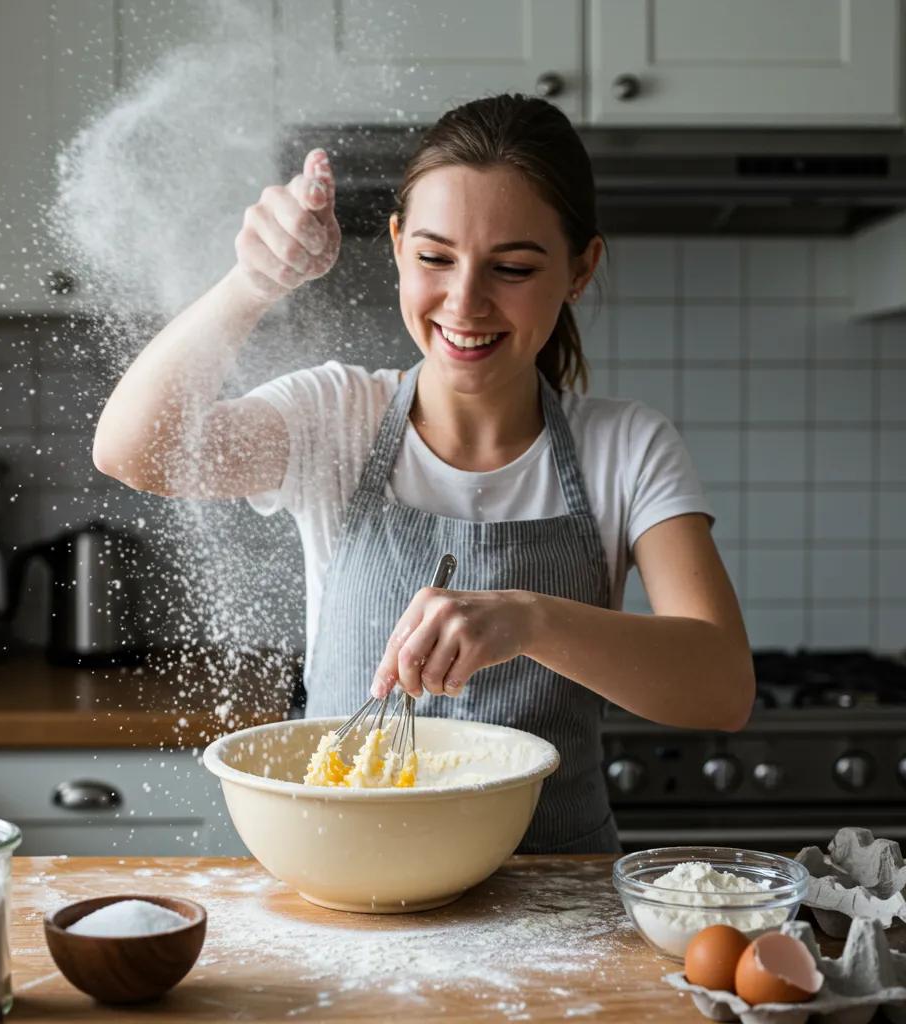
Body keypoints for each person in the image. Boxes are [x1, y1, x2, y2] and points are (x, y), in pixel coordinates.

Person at [93, 94, 754, 854]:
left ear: (580, 269)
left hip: (561, 906)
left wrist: (531, 620)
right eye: (436, 258)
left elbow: (723, 687)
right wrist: (252, 284)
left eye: (512, 267)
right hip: (354, 887)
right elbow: (134, 450)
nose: (465, 302)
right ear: (399, 246)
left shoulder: (627, 447)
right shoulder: (335, 417)